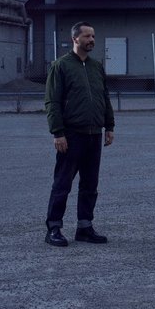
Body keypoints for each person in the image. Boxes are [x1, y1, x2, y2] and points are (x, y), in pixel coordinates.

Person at [44, 21, 114, 247]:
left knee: (90, 184)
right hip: (71, 135)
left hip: (94, 134)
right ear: (75, 39)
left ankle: (85, 227)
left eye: (93, 36)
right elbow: (52, 102)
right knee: (63, 183)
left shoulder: (96, 67)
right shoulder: (61, 66)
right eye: (87, 36)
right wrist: (58, 133)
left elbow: (104, 97)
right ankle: (54, 227)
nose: (91, 40)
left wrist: (109, 126)